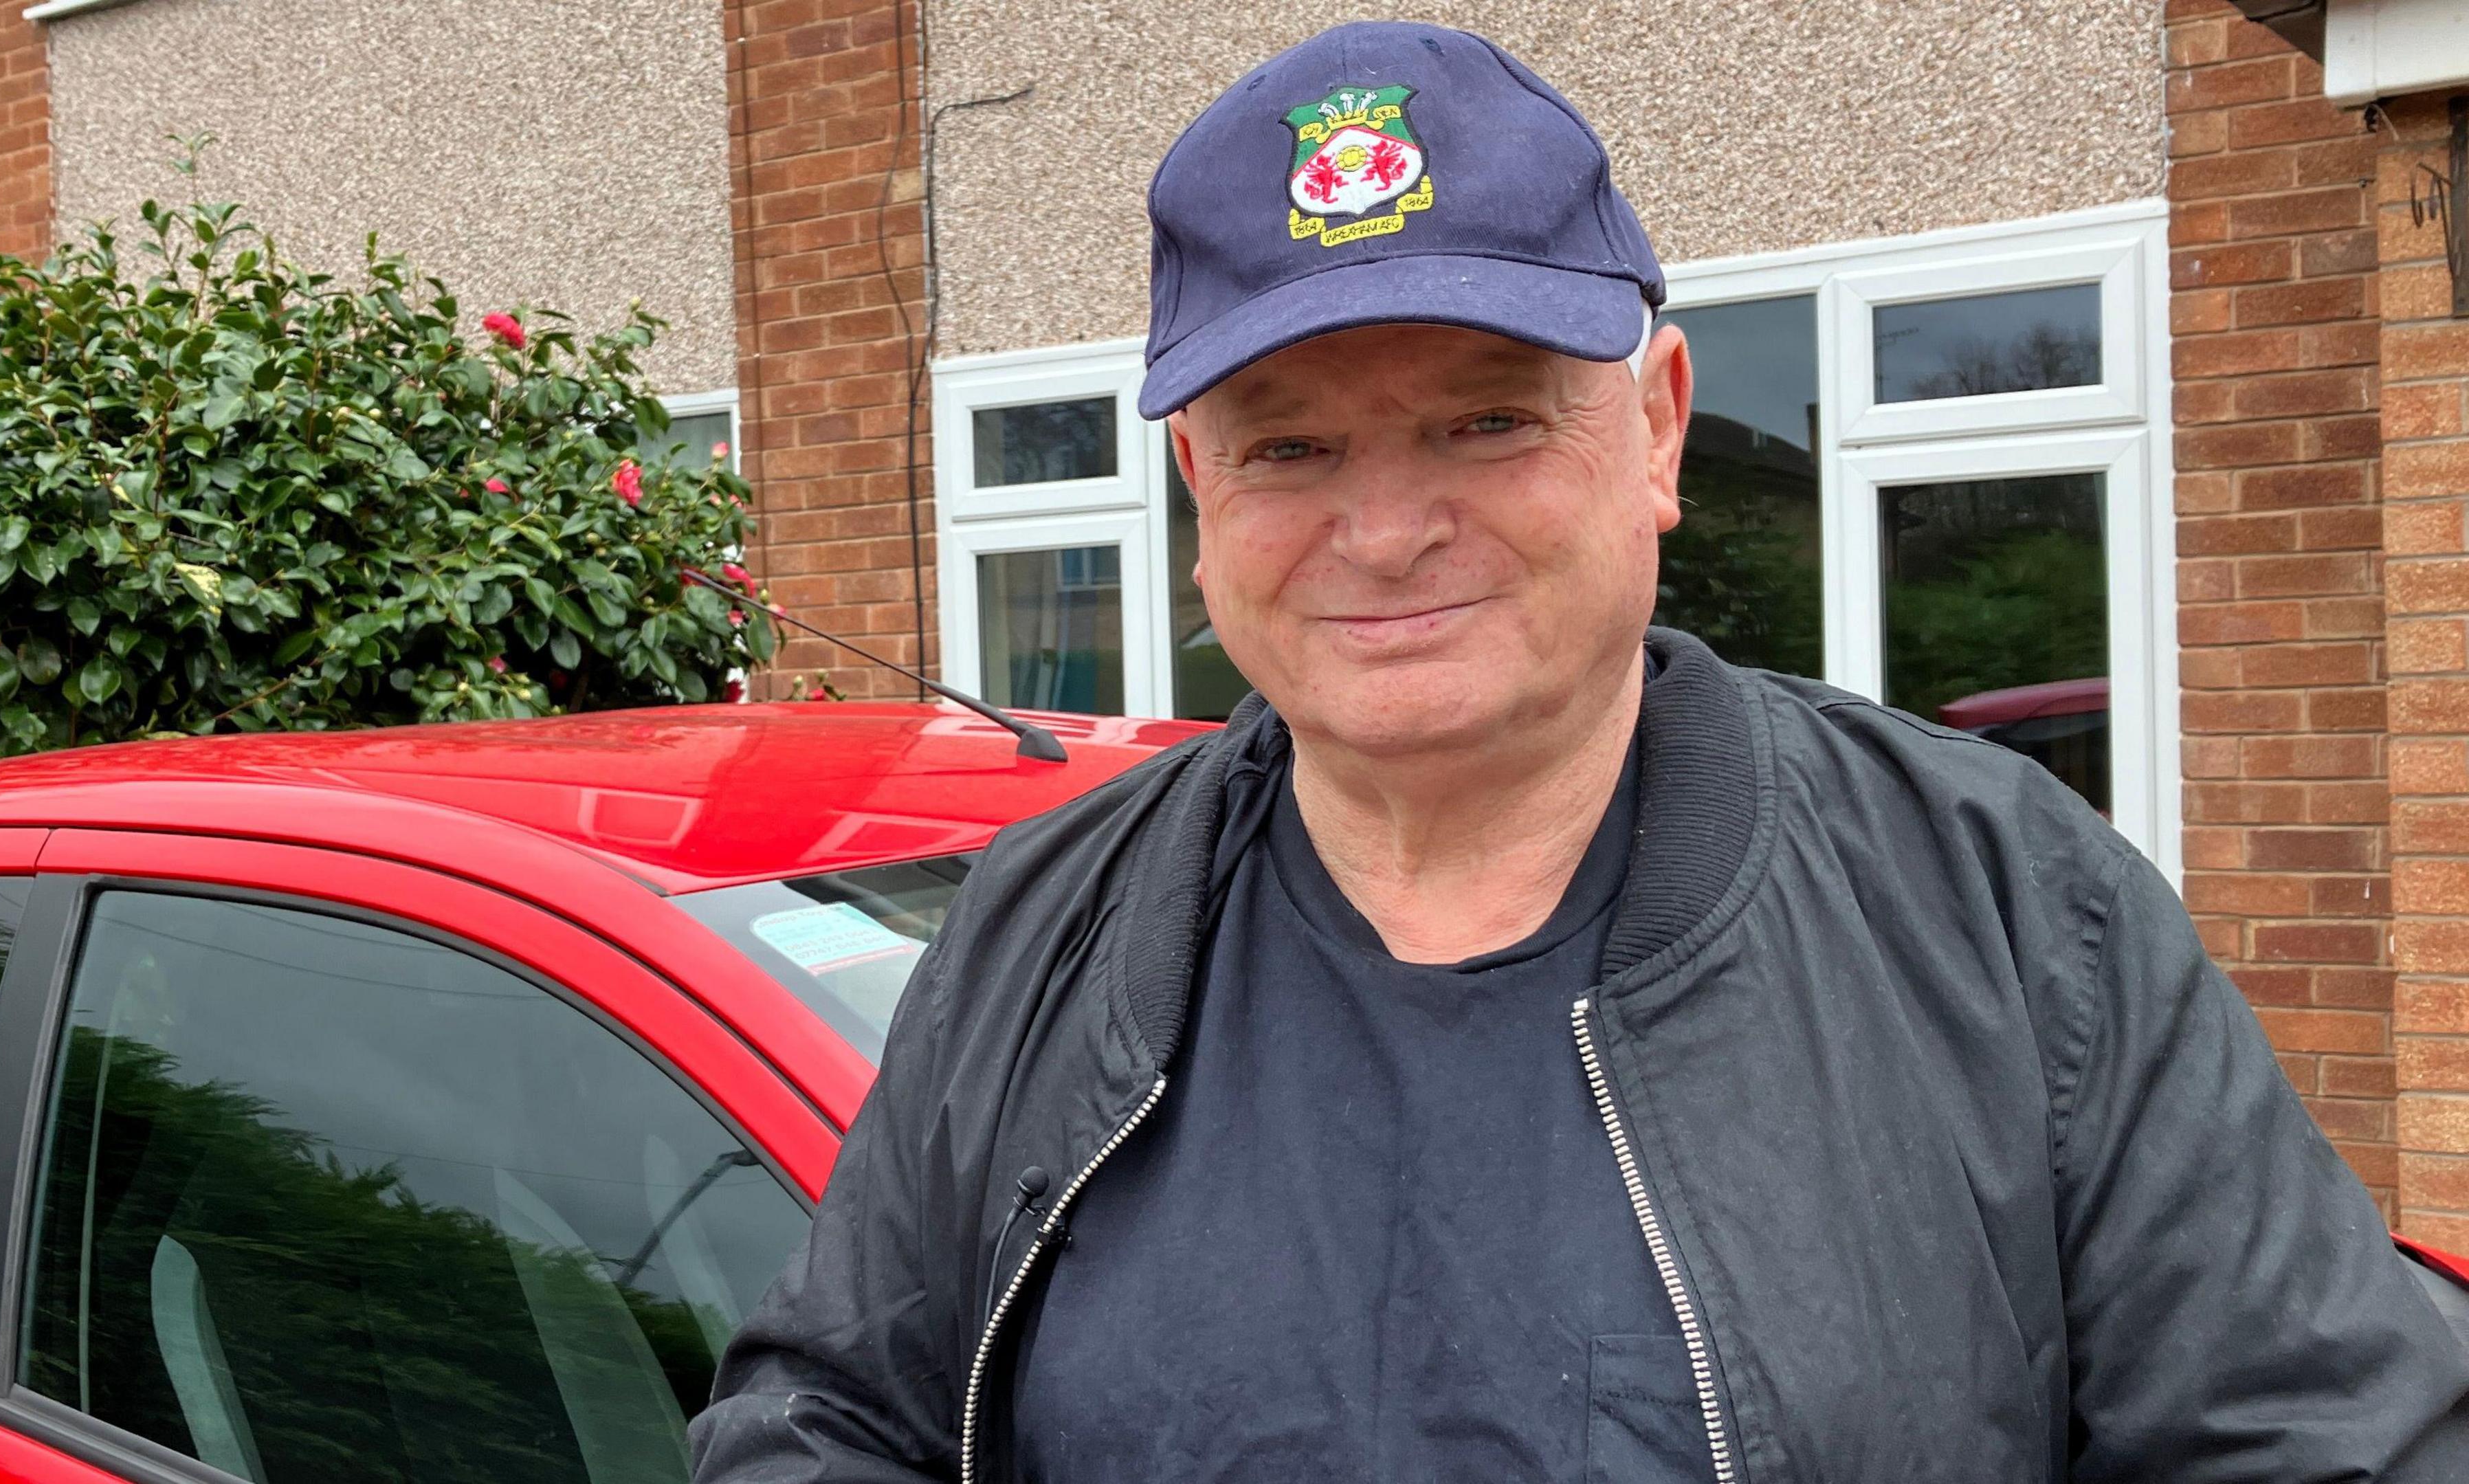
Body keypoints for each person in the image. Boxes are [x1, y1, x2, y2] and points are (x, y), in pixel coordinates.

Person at [691, 21, 2469, 1483]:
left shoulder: (2016, 920)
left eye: (1485, 417)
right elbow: (818, 1419)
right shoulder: (1044, 927)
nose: (1386, 531)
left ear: (1660, 429)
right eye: (1292, 447)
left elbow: (2332, 1448)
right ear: (1199, 496)